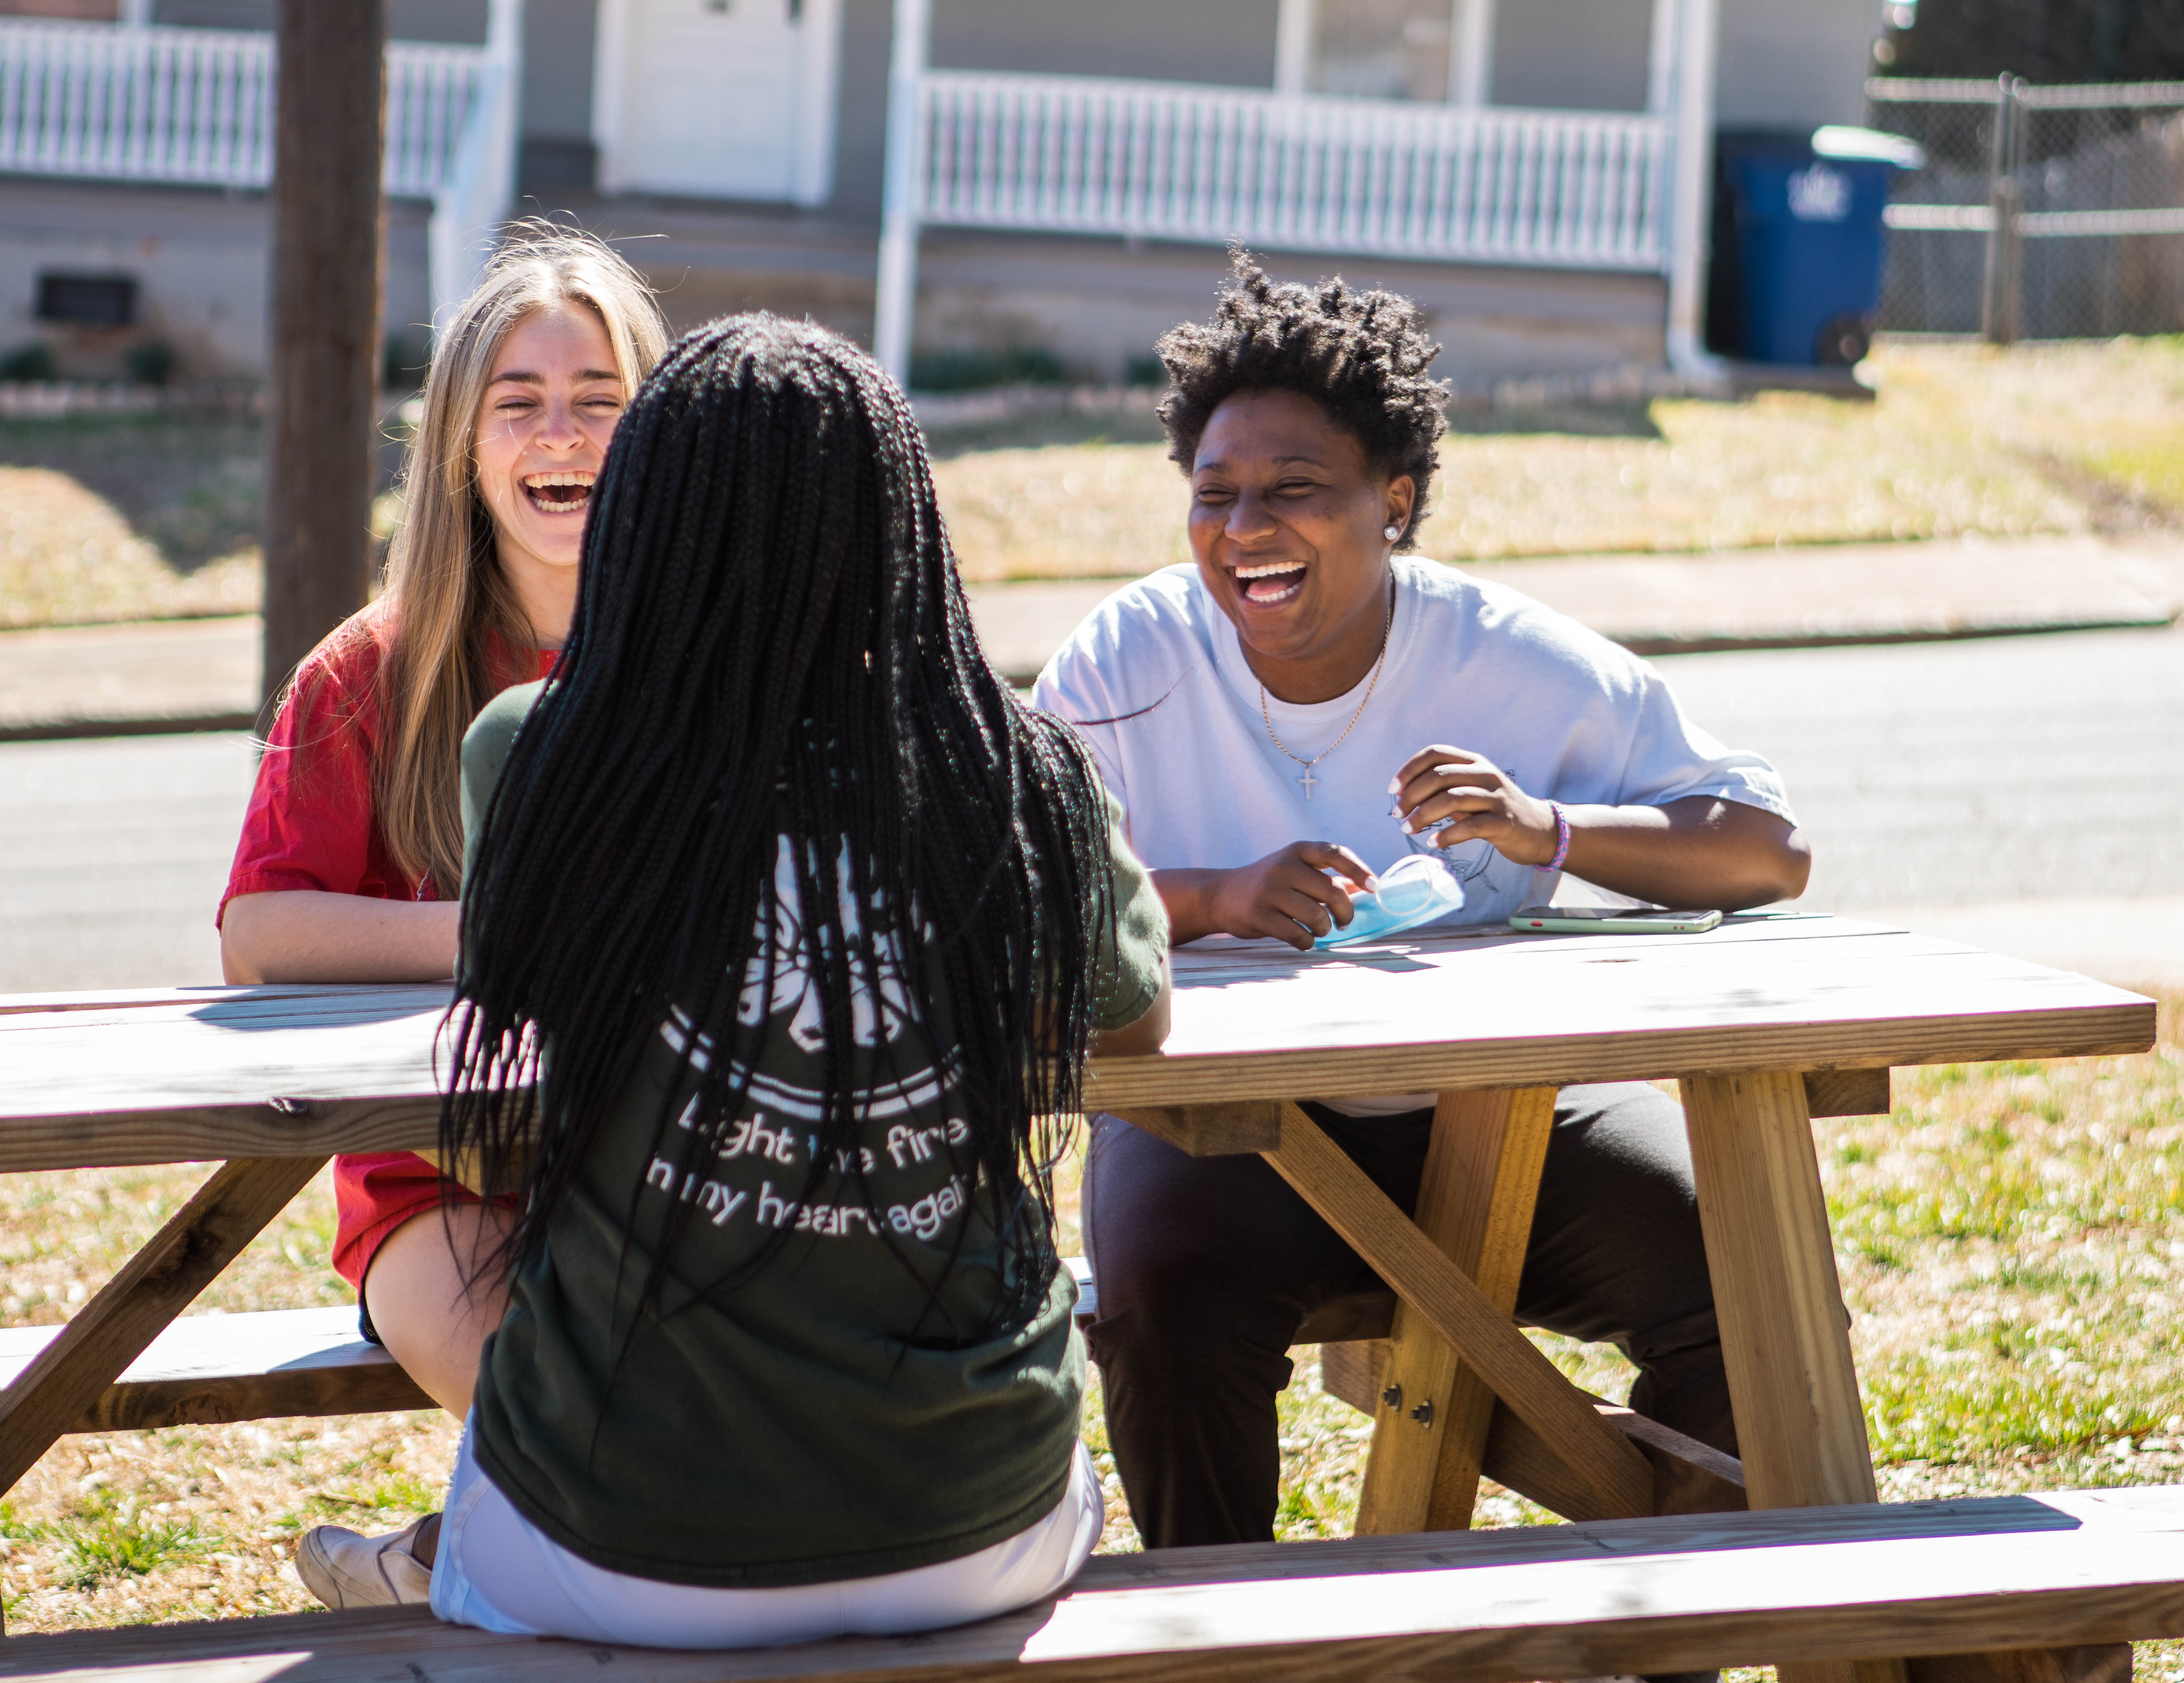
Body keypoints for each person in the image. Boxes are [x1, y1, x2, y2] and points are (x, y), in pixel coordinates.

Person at [1031, 255, 1812, 1553]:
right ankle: (1220, 1644)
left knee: (1746, 1283)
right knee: (1165, 1313)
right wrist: (1214, 896)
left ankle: (1683, 1626)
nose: (1243, 531)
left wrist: (1547, 829)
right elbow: (1016, 897)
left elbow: (1764, 850)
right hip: (1223, 1133)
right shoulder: (1128, 658)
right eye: (1213, 496)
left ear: (1392, 502)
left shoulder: (1507, 659)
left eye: (1295, 491)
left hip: (1500, 1118)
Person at [422, 314, 1172, 1647]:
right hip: (983, 1526)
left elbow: (522, 1010)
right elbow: (1134, 1012)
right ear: (905, 531)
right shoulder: (1016, 770)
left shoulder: (533, 753)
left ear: (643, 519)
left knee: (462, 1540)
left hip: (626, 1540)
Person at [213, 223, 668, 1606]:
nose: (561, 434)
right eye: (518, 404)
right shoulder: (373, 668)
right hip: (438, 1186)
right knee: (607, 1436)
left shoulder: (715, 653)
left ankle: (424, 1564)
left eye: (600, 400)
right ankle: (446, 1567)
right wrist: (502, 939)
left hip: (671, 1161)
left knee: (728, 1424)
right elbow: (260, 933)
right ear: (463, 443)